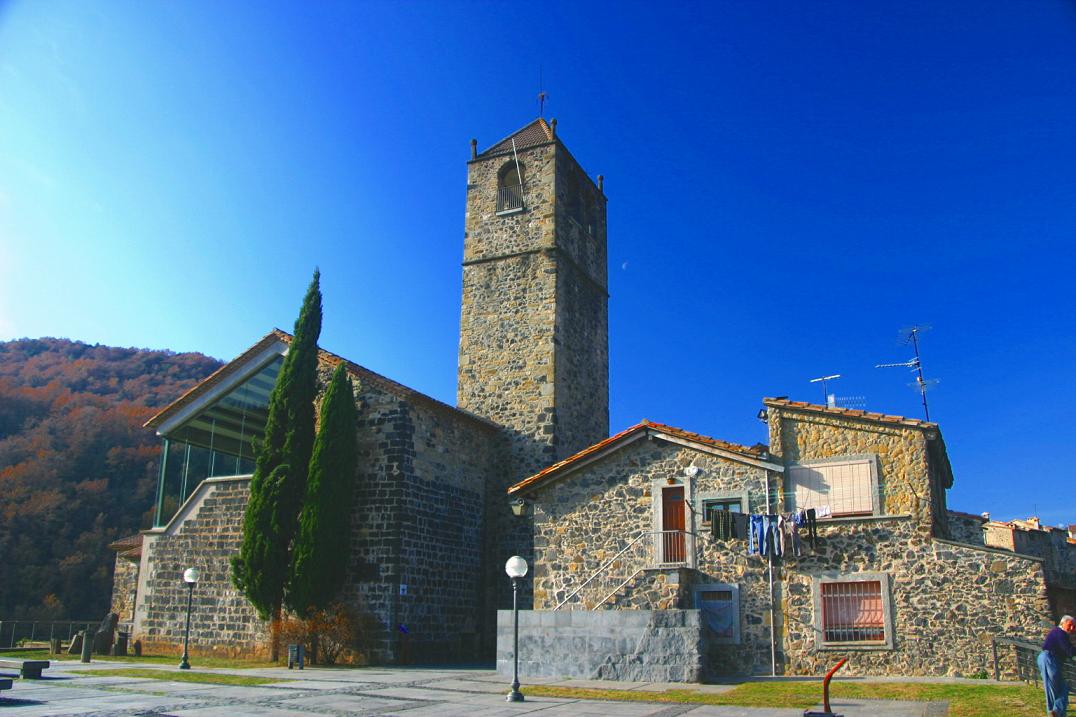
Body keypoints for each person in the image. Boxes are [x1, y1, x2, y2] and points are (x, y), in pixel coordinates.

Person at [1038, 615, 1076, 717]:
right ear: (1063, 623)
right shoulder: (1060, 633)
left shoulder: (1060, 633)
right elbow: (1069, 650)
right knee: (1057, 690)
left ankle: (1055, 712)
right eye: (1070, 625)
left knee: (1060, 689)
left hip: (1050, 659)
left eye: (1074, 626)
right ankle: (1056, 712)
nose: (1072, 628)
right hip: (1050, 659)